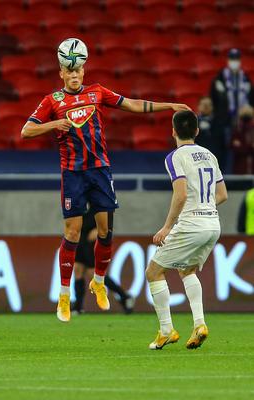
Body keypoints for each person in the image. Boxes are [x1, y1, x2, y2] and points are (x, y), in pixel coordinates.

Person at [21, 37, 190, 323]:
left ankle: (99, 282)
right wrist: (53, 124)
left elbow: (133, 105)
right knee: (73, 233)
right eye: (69, 72)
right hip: (73, 173)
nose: (74, 76)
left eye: (78, 71)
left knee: (105, 232)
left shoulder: (97, 93)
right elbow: (26, 131)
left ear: (83, 72)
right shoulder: (53, 101)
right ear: (61, 73)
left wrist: (170, 105)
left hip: (100, 170)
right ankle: (64, 295)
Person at [146, 110, 228, 350]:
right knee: (187, 270)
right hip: (213, 223)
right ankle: (199, 324)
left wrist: (167, 227)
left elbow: (180, 194)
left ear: (173, 131)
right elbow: (222, 195)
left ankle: (166, 331)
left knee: (154, 272)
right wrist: (203, 207)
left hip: (192, 223)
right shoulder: (210, 155)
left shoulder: (174, 157)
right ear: (197, 131)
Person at [73, 206, 135, 314]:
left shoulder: (97, 197)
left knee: (93, 272)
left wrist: (100, 229)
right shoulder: (79, 196)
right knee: (78, 270)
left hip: (92, 241)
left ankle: (124, 297)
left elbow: (108, 212)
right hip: (80, 237)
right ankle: (78, 307)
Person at [210, 48, 254, 172]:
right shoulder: (220, 78)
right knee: (222, 151)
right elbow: (214, 99)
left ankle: (239, 177)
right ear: (228, 60)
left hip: (242, 122)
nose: (234, 62)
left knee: (240, 151)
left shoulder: (245, 78)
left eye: (236, 59)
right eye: (232, 59)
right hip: (223, 121)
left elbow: (251, 100)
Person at [196, 96, 226, 170]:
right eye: (204, 104)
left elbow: (222, 144)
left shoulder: (219, 122)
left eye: (208, 105)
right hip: (196, 161)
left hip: (215, 161)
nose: (206, 107)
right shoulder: (192, 123)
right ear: (198, 106)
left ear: (212, 107)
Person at [231, 105, 254, 174]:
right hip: (240, 166)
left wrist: (242, 145)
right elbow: (233, 146)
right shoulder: (237, 129)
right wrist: (249, 146)